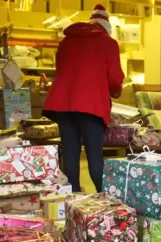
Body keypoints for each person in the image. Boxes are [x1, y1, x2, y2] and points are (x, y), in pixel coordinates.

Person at [43, 4, 124, 192]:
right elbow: (114, 79)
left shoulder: (65, 42)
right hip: (90, 106)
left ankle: (72, 201)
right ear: (106, 28)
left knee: (70, 154)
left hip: (63, 105)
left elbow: (61, 70)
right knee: (94, 155)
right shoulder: (108, 44)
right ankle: (105, 199)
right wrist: (115, 91)